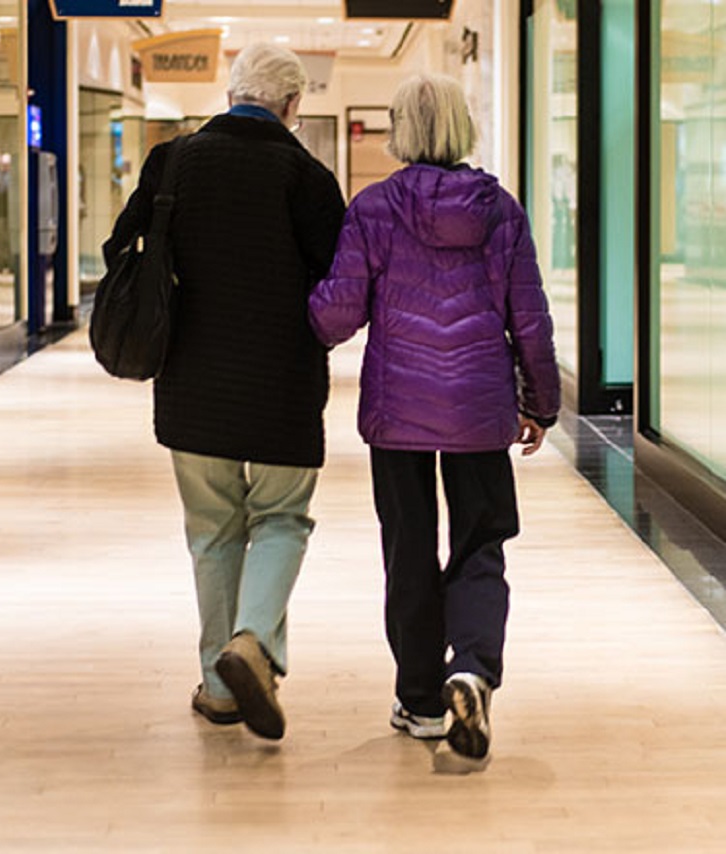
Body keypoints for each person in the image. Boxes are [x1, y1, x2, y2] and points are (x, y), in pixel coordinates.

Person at [309, 74, 560, 762]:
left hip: (399, 411)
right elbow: (529, 318)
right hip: (480, 410)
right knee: (482, 540)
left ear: (400, 131)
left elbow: (337, 313)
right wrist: (540, 402)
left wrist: (295, 308)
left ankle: (419, 701)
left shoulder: (374, 209)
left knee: (409, 548)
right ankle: (472, 668)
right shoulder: (500, 210)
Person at [103, 43, 346, 740]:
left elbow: (118, 248)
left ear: (231, 90)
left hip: (193, 386)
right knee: (280, 520)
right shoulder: (306, 175)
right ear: (293, 106)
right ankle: (253, 644)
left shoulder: (174, 161)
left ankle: (219, 685)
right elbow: (336, 285)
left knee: (212, 533)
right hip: (282, 385)